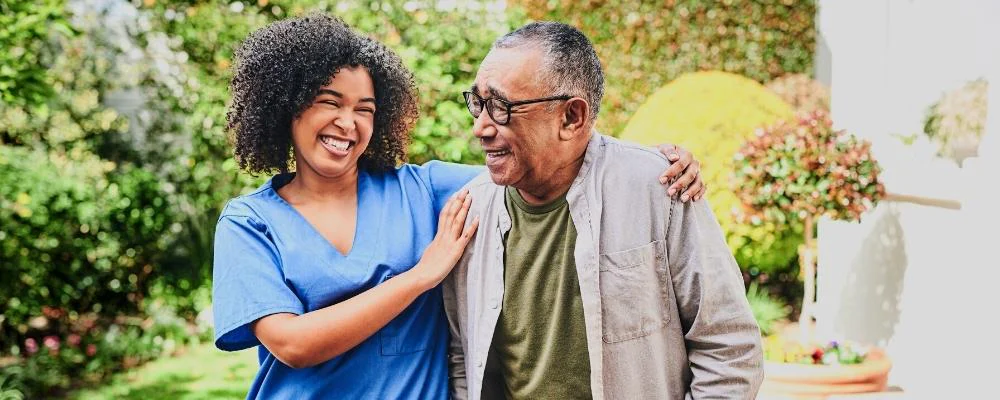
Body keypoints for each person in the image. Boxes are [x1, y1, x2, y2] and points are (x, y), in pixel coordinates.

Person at [211, 15, 706, 399]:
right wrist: (421, 275)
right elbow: (292, 344)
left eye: (365, 109)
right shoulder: (250, 223)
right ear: (286, 107)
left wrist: (649, 160)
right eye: (329, 102)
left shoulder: (422, 190)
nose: (349, 122)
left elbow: (544, 162)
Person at [444, 22, 763, 400]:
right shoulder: (469, 210)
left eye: (501, 107)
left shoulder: (660, 188)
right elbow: (464, 354)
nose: (480, 126)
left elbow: (729, 346)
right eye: (478, 102)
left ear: (571, 117)